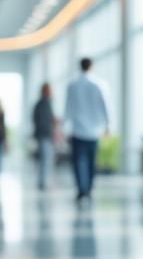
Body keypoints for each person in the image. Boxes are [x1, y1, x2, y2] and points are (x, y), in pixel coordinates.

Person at [64, 58, 110, 203]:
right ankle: (89, 189)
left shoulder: (73, 85)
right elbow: (105, 106)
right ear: (91, 67)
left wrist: (64, 128)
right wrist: (108, 126)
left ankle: (81, 189)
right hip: (94, 131)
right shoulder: (100, 85)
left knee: (78, 162)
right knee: (91, 162)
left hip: (78, 130)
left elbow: (68, 108)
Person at [32, 83, 56, 190]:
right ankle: (43, 182)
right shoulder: (43, 104)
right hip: (45, 135)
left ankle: (43, 181)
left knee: (45, 159)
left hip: (44, 135)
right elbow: (43, 121)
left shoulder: (43, 104)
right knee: (46, 159)